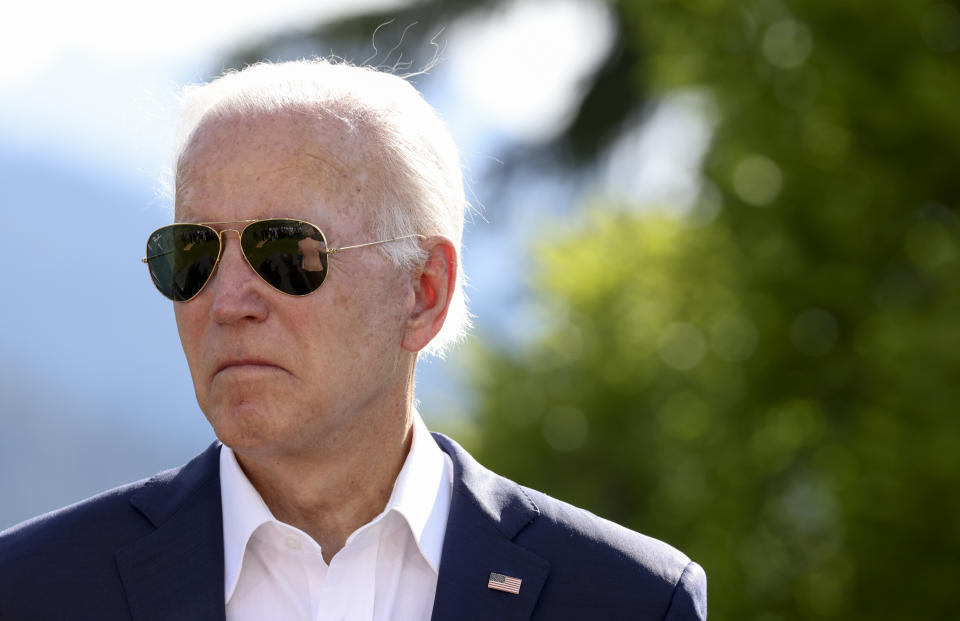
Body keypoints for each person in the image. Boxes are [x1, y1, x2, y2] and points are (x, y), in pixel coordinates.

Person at [0, 60, 706, 620]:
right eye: (192, 254)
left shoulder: (631, 600)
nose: (228, 300)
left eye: (286, 252)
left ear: (423, 291)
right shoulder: (31, 590)